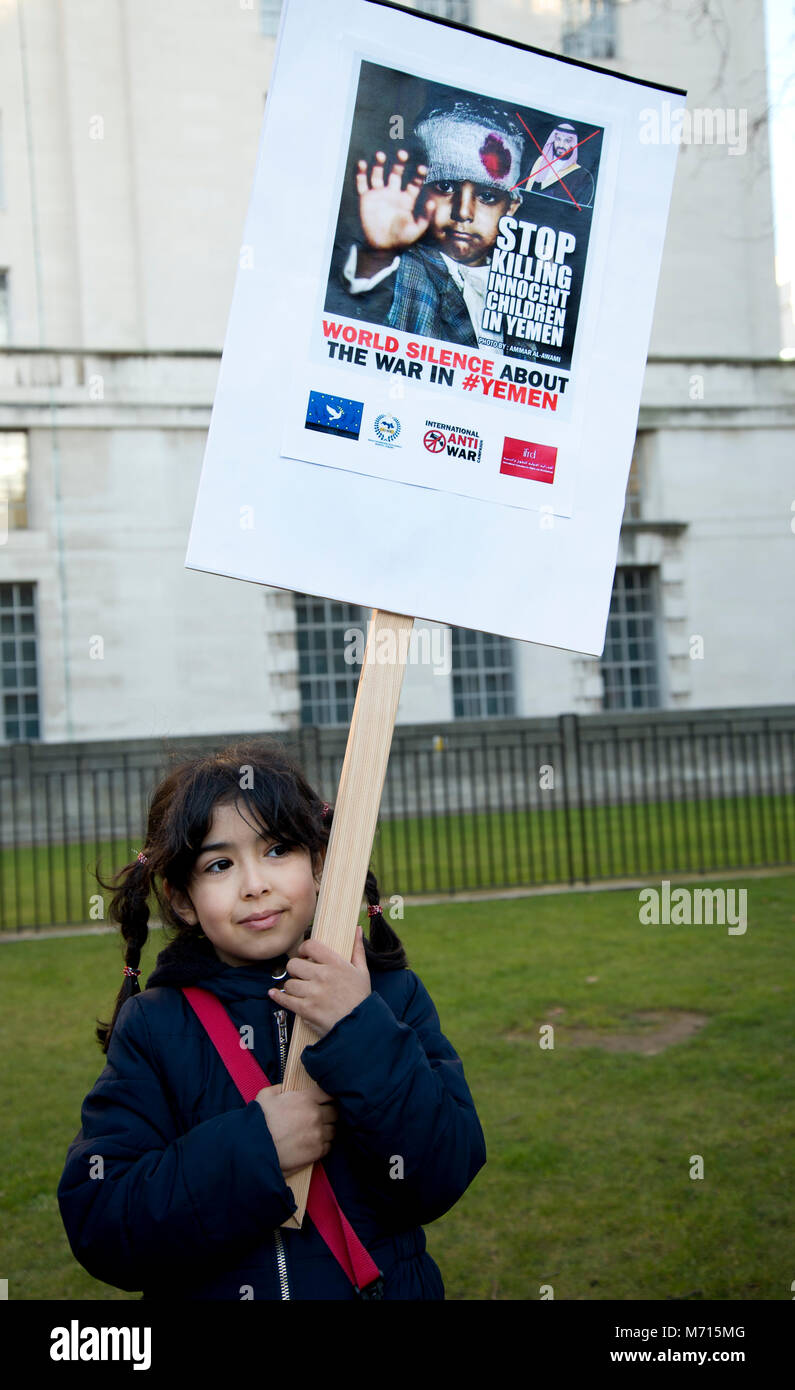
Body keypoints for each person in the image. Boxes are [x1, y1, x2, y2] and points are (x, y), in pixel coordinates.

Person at [56, 739, 486, 1301]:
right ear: (183, 900)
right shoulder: (155, 1028)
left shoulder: (386, 997)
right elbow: (105, 1224)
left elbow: (441, 1174)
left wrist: (358, 1029)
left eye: (278, 849)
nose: (254, 883)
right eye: (219, 864)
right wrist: (258, 1147)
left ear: (321, 862)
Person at [327, 93, 539, 358]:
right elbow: (355, 314)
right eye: (445, 187)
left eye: (486, 196)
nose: (462, 212)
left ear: (511, 207)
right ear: (420, 191)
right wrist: (378, 256)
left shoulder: (520, 292)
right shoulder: (407, 268)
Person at [524, 122, 595, 208]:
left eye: (567, 141)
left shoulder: (580, 174)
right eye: (558, 139)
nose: (561, 145)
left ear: (573, 144)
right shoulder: (537, 162)